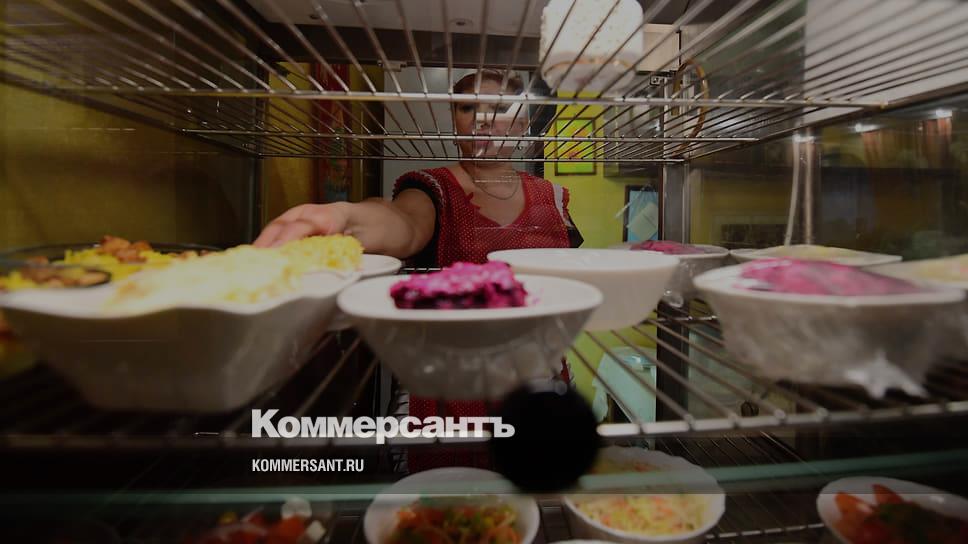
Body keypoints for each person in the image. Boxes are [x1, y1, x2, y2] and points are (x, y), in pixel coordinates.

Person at [255, 70, 583, 467]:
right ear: (454, 121)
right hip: (447, 394)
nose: (481, 120)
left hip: (539, 387)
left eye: (498, 108)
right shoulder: (433, 188)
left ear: (523, 121)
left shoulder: (553, 197)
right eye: (467, 108)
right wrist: (345, 217)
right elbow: (403, 223)